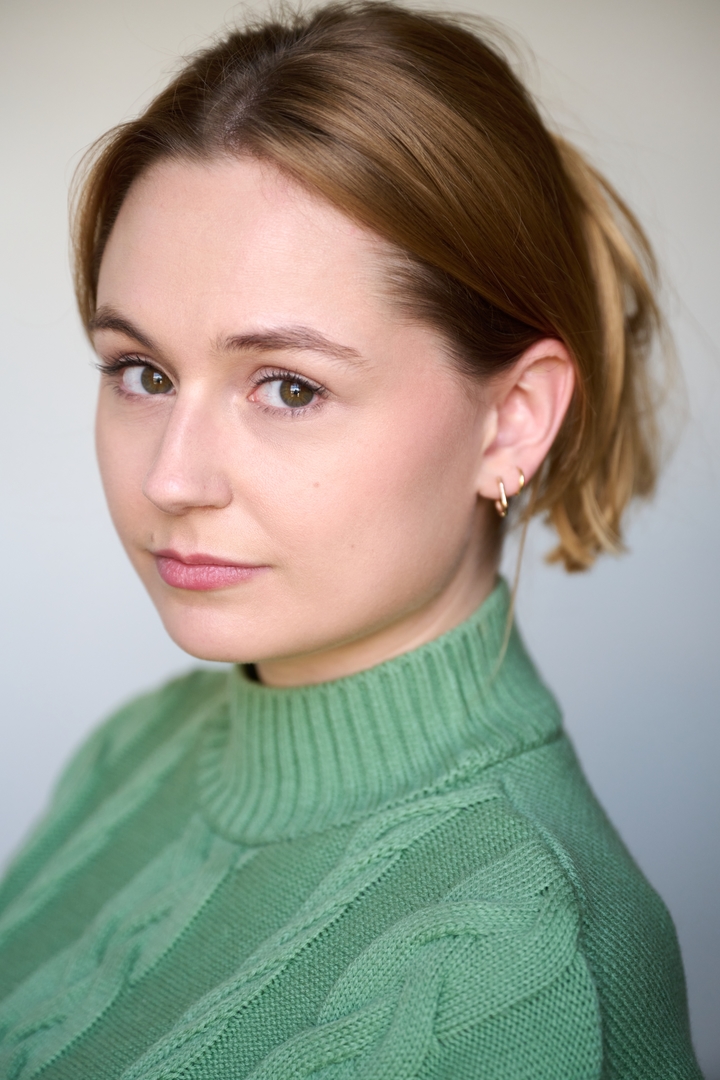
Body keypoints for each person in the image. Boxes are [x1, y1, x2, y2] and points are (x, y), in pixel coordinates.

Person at [0, 2, 703, 1077]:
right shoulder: (132, 754)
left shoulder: (524, 964)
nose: (170, 479)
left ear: (511, 421)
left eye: (288, 387)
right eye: (142, 373)